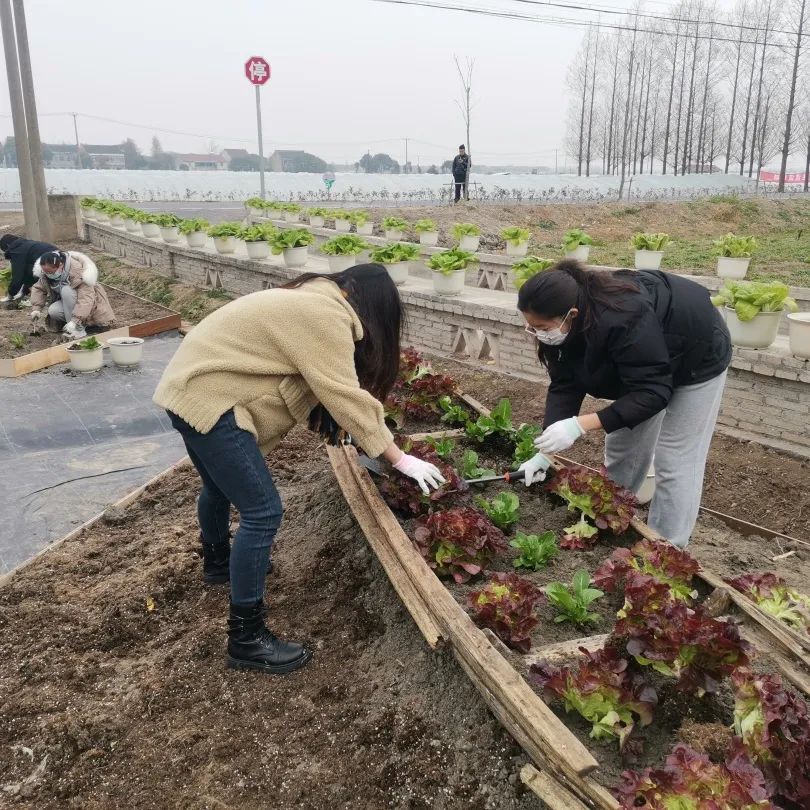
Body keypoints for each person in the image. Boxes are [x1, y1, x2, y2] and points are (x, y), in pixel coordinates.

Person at [153, 265, 446, 676]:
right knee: (263, 512)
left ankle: (218, 564)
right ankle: (246, 638)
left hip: (187, 390)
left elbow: (297, 381)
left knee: (218, 488)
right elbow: (343, 394)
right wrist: (399, 458)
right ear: (372, 305)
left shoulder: (308, 299)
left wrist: (337, 424)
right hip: (213, 400)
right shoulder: (325, 316)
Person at [517, 259, 732, 549]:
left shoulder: (620, 316)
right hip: (646, 362)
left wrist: (579, 425)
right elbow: (565, 384)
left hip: (697, 352)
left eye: (541, 327)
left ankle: (665, 550)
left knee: (675, 459)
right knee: (623, 443)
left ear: (572, 314)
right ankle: (611, 515)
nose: (537, 334)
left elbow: (653, 392)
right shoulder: (562, 327)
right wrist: (545, 453)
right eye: (531, 327)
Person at [29, 250, 116, 339]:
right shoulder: (46, 273)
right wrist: (36, 309)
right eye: (46, 272)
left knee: (66, 290)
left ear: (61, 265)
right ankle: (77, 325)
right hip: (72, 304)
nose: (48, 275)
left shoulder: (78, 272)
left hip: (91, 305)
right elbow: (39, 288)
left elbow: (86, 299)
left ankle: (78, 329)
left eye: (51, 273)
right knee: (53, 310)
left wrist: (75, 321)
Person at [0, 233, 57, 306]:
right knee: (27, 268)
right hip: (59, 261)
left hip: (53, 266)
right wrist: (23, 292)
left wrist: (10, 294)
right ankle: (32, 292)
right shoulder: (26, 244)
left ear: (8, 246)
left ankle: (44, 295)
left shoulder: (17, 250)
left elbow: (18, 276)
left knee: (23, 270)